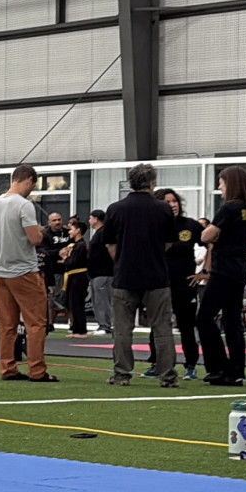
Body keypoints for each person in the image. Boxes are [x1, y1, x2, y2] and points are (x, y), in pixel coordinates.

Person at [99, 163, 178, 388]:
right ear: (152, 183)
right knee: (162, 328)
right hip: (156, 276)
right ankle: (168, 376)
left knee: (122, 329)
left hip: (125, 275)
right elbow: (168, 243)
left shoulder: (116, 209)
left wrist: (123, 260)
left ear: (131, 182)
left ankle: (122, 374)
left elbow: (110, 244)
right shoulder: (163, 209)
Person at [0, 163, 54, 383]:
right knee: (36, 323)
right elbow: (35, 239)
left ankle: (7, 368)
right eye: (33, 185)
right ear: (29, 180)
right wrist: (40, 230)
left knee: (6, 325)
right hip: (24, 271)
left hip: (1, 272)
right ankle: (37, 371)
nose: (32, 190)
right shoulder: (24, 205)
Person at [197, 165, 246, 387]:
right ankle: (237, 369)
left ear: (230, 184)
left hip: (223, 270)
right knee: (232, 320)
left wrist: (213, 235)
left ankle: (218, 366)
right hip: (240, 269)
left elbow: (206, 236)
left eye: (221, 182)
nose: (219, 187)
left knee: (204, 318)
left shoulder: (228, 209)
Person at [151, 189, 203, 380]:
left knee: (186, 325)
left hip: (185, 284)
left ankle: (191, 365)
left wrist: (205, 272)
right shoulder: (154, 226)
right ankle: (156, 363)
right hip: (160, 283)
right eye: (167, 202)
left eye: (175, 201)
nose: (173, 205)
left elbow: (211, 244)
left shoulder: (190, 225)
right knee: (158, 324)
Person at [85, 208, 114, 334]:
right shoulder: (98, 233)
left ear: (96, 219)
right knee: (98, 300)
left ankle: (105, 325)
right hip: (96, 273)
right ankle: (102, 324)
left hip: (103, 272)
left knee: (103, 300)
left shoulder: (103, 233)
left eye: (90, 218)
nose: (89, 221)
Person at [60, 217, 91, 335]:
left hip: (79, 276)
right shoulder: (75, 245)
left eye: (71, 229)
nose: (69, 232)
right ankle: (76, 328)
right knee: (72, 304)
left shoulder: (81, 246)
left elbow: (72, 261)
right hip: (73, 276)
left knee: (77, 303)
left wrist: (65, 258)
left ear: (78, 231)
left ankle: (81, 330)